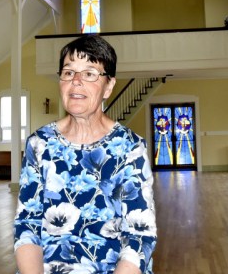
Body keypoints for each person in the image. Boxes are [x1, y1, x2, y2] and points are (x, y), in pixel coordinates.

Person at [14, 35, 157, 274]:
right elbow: (27, 223)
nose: (76, 81)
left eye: (90, 73)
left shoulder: (130, 148)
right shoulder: (39, 143)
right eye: (68, 72)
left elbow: (139, 236)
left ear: (109, 86)